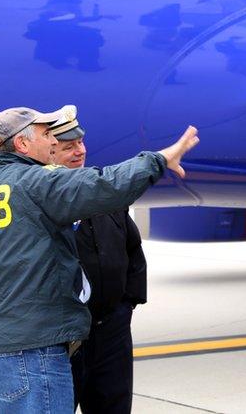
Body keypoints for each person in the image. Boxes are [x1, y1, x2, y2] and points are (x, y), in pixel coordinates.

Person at [0, 105, 198, 414]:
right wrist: (159, 159)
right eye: (47, 135)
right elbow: (107, 184)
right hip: (32, 351)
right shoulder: (35, 182)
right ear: (22, 144)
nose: (53, 143)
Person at [49, 108, 145, 414]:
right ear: (50, 151)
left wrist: (126, 305)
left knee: (114, 406)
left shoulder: (102, 191)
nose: (79, 152)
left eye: (80, 144)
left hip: (110, 330)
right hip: (63, 336)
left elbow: (132, 249)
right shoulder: (39, 198)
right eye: (68, 147)